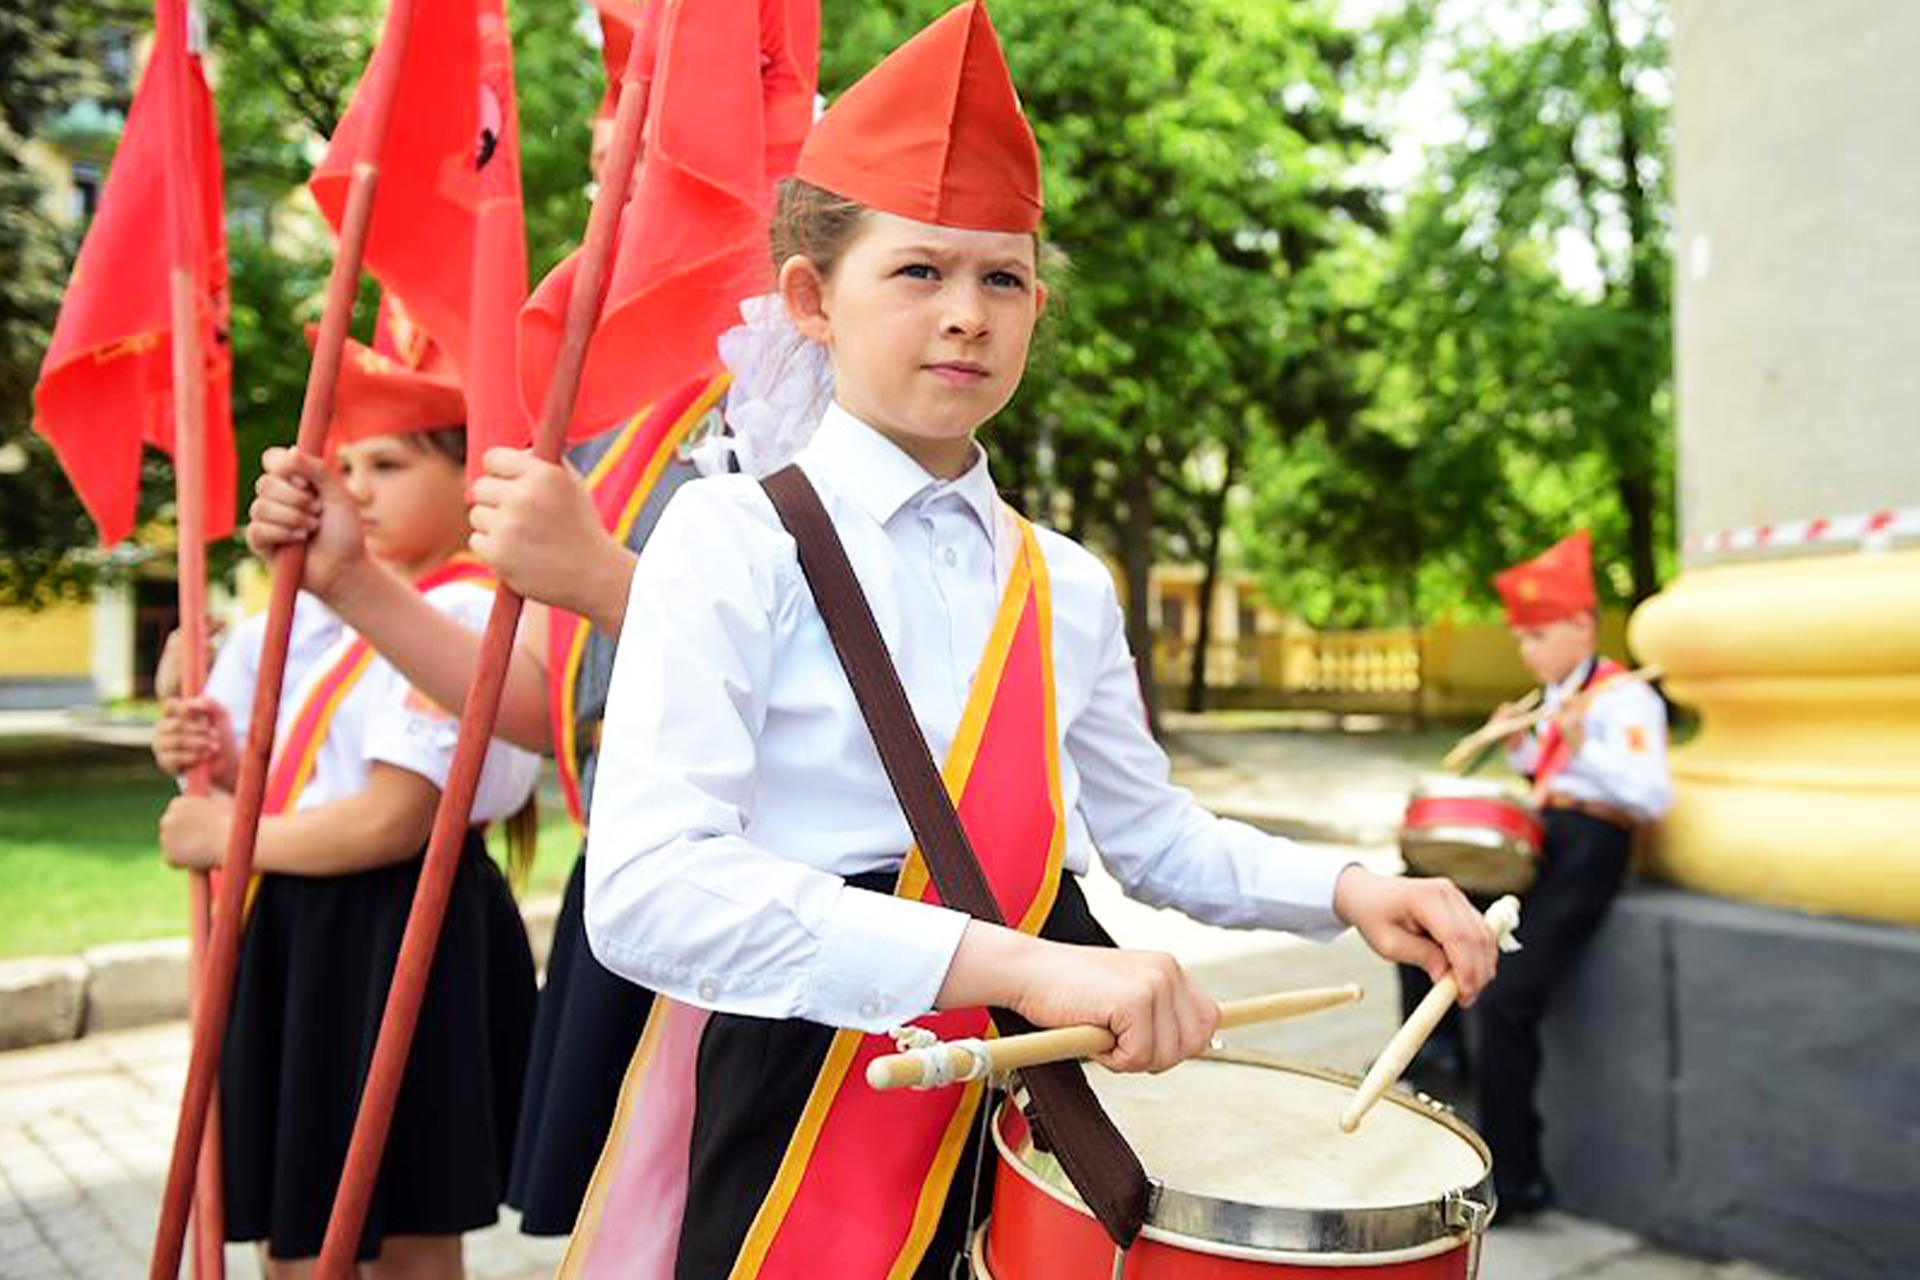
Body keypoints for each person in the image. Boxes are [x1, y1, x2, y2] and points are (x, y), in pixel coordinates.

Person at [564, 6, 1501, 1277]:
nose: (967, 314)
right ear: (811, 297)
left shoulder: (1062, 578)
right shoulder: (732, 535)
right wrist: (1022, 965)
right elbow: (648, 889)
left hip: (1049, 1080)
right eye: (919, 271)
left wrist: (1352, 891)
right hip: (823, 1069)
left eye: (1001, 278)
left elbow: (1151, 833)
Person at [153, 335, 541, 1279]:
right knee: (295, 1216)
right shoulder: (316, 617)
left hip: (395, 924)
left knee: (404, 1224)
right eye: (349, 464)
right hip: (299, 924)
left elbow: (390, 821)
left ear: (468, 478)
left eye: (391, 463)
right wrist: (212, 764)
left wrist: (223, 838)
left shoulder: (461, 615)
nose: (357, 487)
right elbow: (283, 785)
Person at [1474, 529, 1672, 1220]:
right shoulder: (1556, 694)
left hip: (1591, 843)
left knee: (1504, 1000)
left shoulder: (1622, 697)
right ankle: (1435, 1052)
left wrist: (1585, 747)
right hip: (1549, 835)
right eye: (1522, 637)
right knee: (1427, 893)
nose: (1526, 649)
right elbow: (1546, 776)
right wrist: (1524, 747)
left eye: (1537, 634)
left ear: (1583, 625)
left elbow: (1649, 795)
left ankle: (1518, 1180)